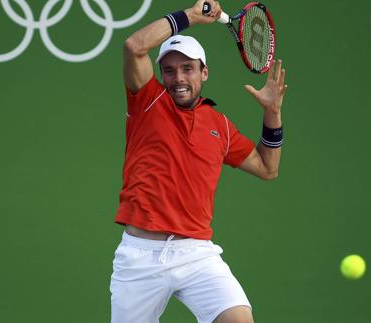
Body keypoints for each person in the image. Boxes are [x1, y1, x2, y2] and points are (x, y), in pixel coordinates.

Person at [110, 0, 287, 322]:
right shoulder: (147, 101)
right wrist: (190, 17)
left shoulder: (220, 126)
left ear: (204, 72)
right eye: (169, 69)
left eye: (188, 68)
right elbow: (134, 46)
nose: (178, 77)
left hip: (196, 254)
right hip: (140, 257)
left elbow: (267, 168)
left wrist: (271, 113)